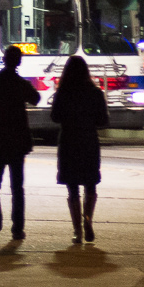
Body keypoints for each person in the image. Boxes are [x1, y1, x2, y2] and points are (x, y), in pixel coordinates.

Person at [0, 45, 41, 246]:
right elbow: (36, 99)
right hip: (17, 141)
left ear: (3, 60)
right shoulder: (21, 84)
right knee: (17, 187)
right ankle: (17, 229)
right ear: (19, 62)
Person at [50, 55, 109, 243]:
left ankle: (77, 231)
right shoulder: (95, 93)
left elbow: (54, 117)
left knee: (72, 187)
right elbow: (103, 120)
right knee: (90, 184)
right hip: (88, 142)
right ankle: (88, 221)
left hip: (69, 141)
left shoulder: (63, 93)